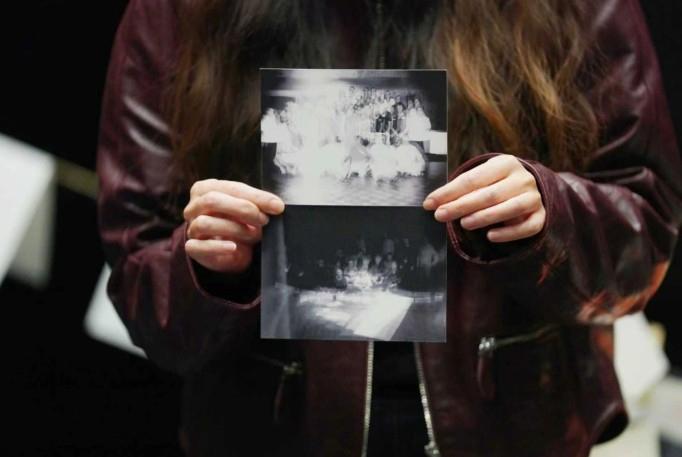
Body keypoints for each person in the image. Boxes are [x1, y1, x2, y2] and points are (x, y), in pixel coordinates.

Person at [96, 0, 682, 456]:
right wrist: (211, 267)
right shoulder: (181, 12)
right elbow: (141, 279)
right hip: (272, 424)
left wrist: (550, 214)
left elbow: (645, 232)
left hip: (511, 421)